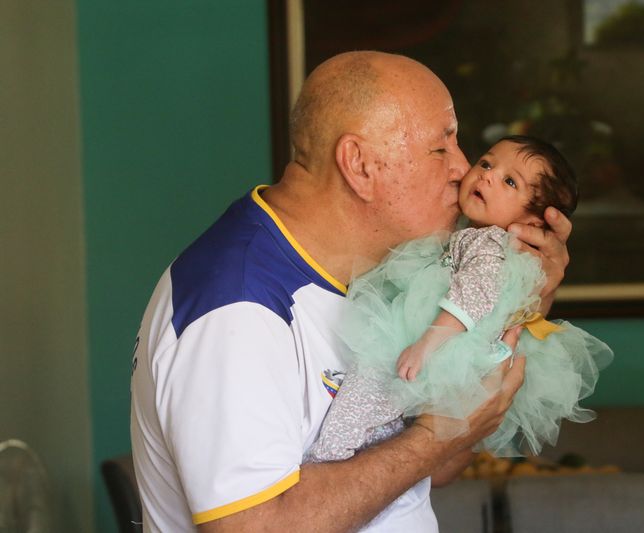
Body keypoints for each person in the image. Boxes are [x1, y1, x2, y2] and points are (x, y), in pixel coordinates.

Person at [130, 51, 573, 532]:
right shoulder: (236, 307)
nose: (463, 168)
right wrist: (433, 438)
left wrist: (522, 299)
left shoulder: (381, 279)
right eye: (442, 147)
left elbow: (438, 466)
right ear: (359, 165)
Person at [306, 135, 612, 467]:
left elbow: (474, 293)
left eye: (510, 181)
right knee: (383, 403)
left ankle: (330, 451)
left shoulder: (491, 244)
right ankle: (346, 447)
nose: (488, 175)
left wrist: (429, 341)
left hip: (441, 340)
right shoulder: (469, 235)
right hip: (441, 339)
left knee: (373, 383)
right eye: (486, 163)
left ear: (534, 222)